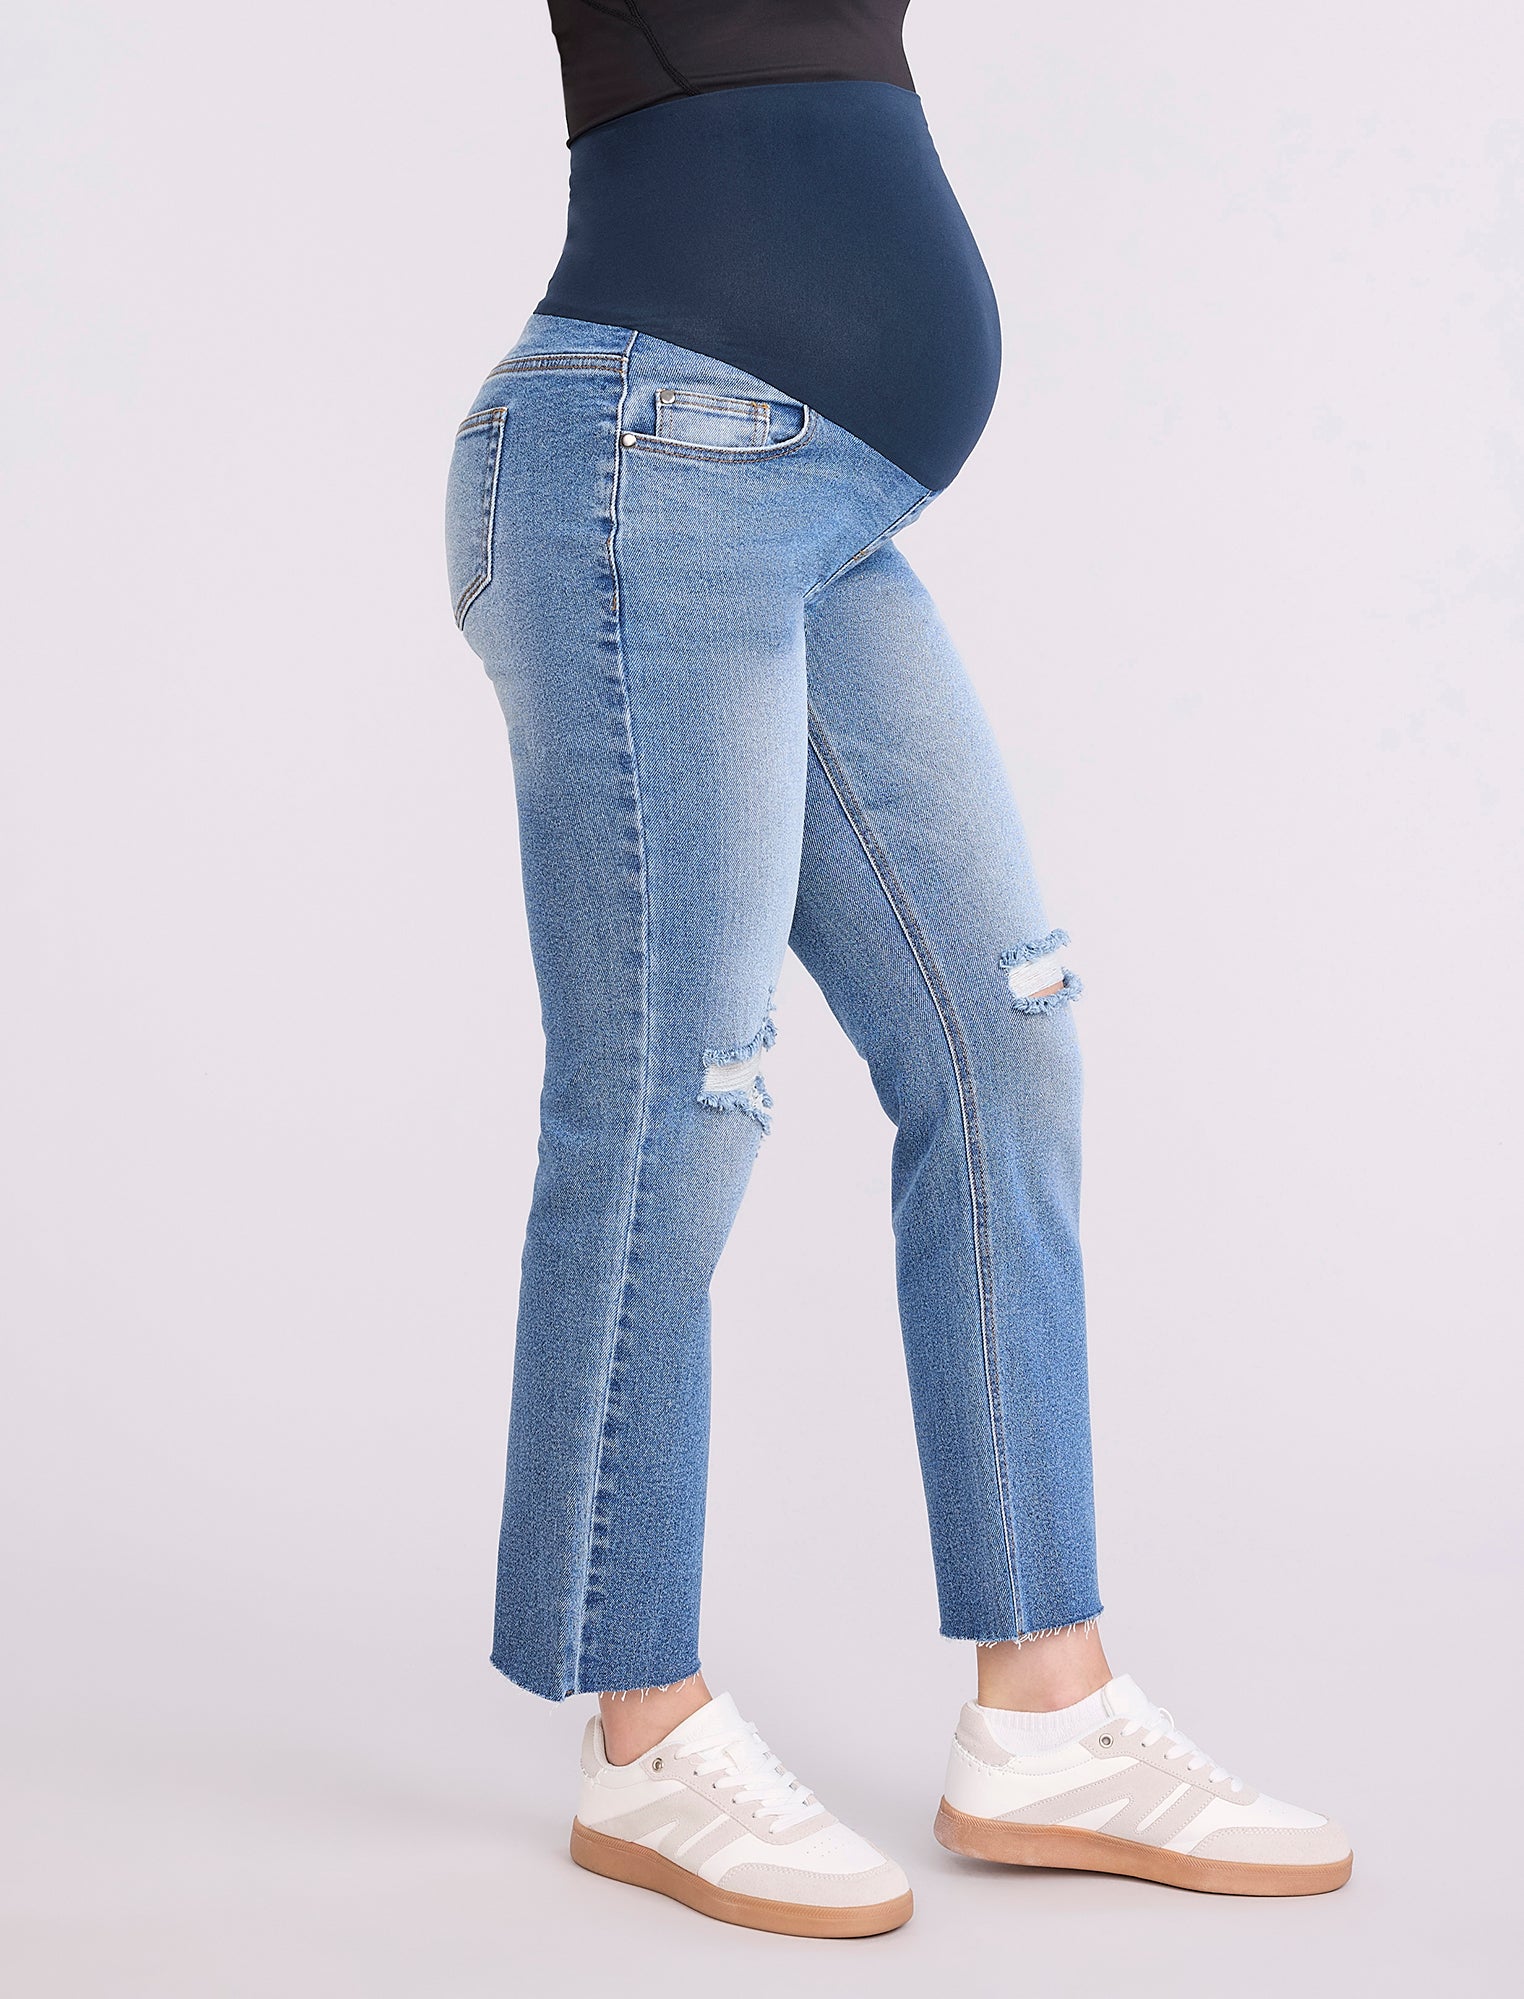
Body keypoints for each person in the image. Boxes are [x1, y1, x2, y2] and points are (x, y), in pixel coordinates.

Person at [443, 1, 1350, 1937]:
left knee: (1001, 1038)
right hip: (643, 467)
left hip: (815, 494)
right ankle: (644, 1724)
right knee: (676, 1089)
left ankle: (1048, 1705)